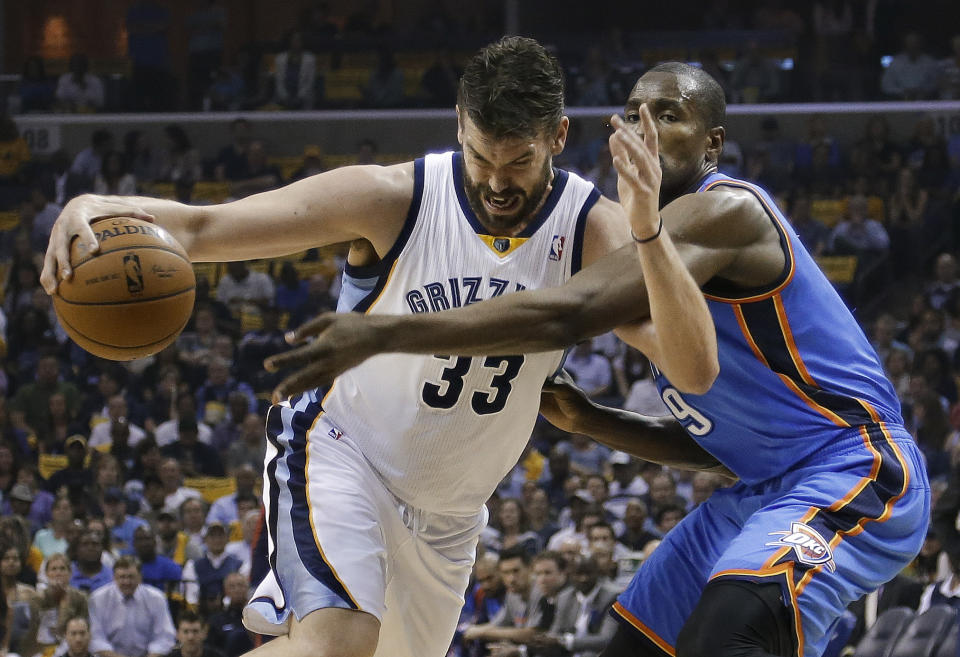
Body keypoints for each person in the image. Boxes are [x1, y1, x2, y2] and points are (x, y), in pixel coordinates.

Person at [41, 37, 715, 657]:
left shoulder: (592, 229)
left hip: (450, 515)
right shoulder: (395, 197)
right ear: (459, 126)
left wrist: (649, 233)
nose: (497, 181)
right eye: (482, 156)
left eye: (520, 161)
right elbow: (206, 226)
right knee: (338, 644)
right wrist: (96, 205)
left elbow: (691, 368)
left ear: (558, 137)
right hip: (342, 450)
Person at [265, 62, 931, 657]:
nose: (647, 124)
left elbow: (565, 311)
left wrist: (385, 333)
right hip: (760, 487)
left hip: (857, 464)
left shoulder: (725, 211)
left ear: (713, 144)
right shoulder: (651, 251)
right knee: (635, 642)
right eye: (636, 109)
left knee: (727, 633)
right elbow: (714, 449)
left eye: (669, 114)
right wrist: (591, 420)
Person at [88, 555, 177, 657]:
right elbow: (95, 637)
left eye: (131, 577)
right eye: (122, 577)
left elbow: (165, 636)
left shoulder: (156, 598)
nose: (127, 582)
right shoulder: (98, 599)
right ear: (114, 577)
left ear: (140, 577)